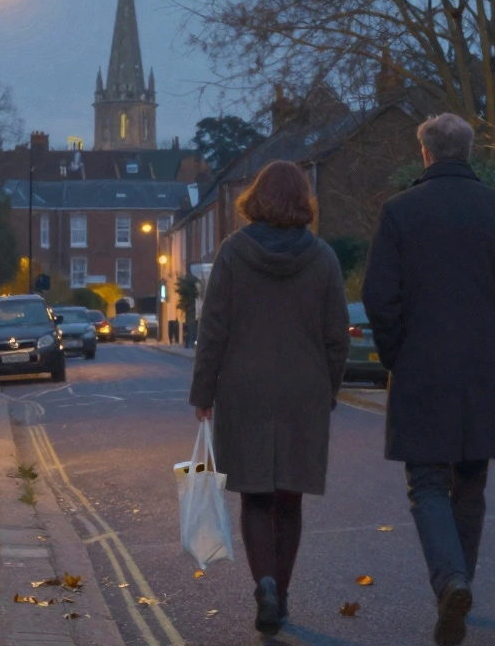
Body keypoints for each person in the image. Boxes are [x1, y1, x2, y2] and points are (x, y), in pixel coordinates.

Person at [362, 113, 495, 646]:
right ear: (468, 152)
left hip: (422, 368)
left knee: (426, 482)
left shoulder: (399, 212)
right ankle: (459, 585)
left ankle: (451, 582)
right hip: (486, 370)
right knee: (470, 480)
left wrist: (397, 353)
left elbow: (380, 296)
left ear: (425, 153)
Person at [189, 160, 350, 636]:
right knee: (289, 500)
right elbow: (336, 337)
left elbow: (212, 327)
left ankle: (265, 586)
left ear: (255, 199)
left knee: (256, 499)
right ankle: (280, 591)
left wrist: (203, 391)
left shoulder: (234, 253)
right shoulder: (322, 258)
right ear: (304, 201)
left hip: (244, 389)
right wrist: (328, 388)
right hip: (304, 391)